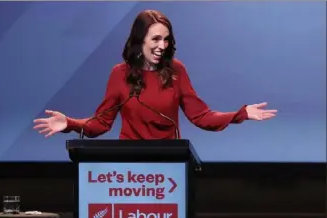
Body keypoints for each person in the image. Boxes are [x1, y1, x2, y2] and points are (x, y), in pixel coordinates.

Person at [33, 10, 277, 139]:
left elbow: (201, 116)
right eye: (156, 39)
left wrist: (240, 114)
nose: (163, 45)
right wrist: (70, 124)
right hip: (128, 171)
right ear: (140, 41)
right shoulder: (120, 74)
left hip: (168, 167)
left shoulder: (176, 71)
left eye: (166, 39)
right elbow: (101, 123)